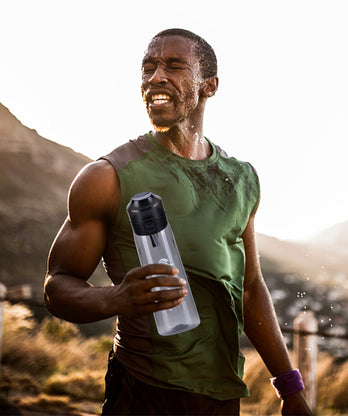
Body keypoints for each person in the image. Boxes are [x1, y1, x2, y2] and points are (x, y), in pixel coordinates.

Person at [44, 28, 312, 416]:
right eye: (148, 68)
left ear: (209, 85)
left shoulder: (240, 179)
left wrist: (290, 388)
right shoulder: (106, 177)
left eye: (174, 66)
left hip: (221, 396)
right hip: (141, 392)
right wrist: (113, 298)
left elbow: (250, 289)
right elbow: (57, 286)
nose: (156, 77)